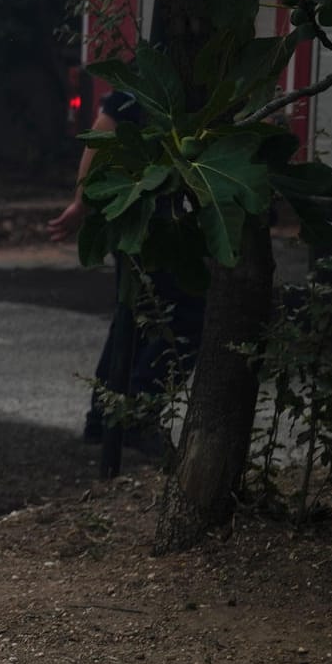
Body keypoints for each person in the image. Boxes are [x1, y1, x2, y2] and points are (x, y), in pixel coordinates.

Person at [46, 89, 205, 456]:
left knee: (134, 316)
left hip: (147, 215)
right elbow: (105, 127)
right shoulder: (158, 78)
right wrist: (83, 202)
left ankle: (106, 417)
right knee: (181, 318)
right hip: (149, 220)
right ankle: (134, 416)